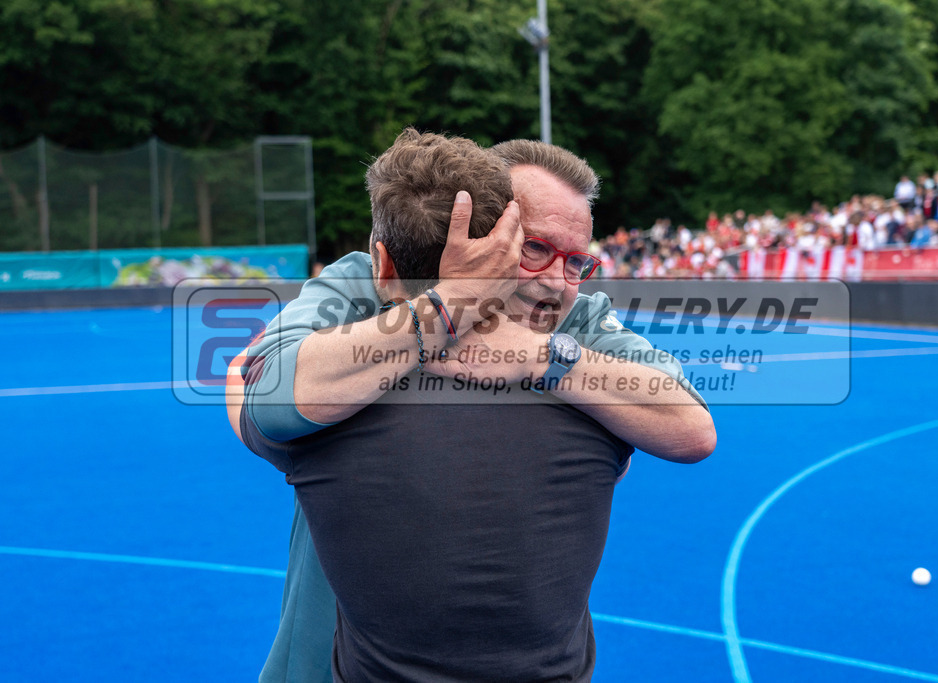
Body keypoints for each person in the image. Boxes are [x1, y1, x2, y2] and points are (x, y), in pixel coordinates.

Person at [230, 130, 715, 682]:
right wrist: (447, 311)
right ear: (483, 232)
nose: (558, 282)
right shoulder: (363, 282)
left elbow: (691, 427)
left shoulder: (576, 315)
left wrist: (541, 356)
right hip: (323, 662)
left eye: (577, 261)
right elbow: (265, 392)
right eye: (535, 248)